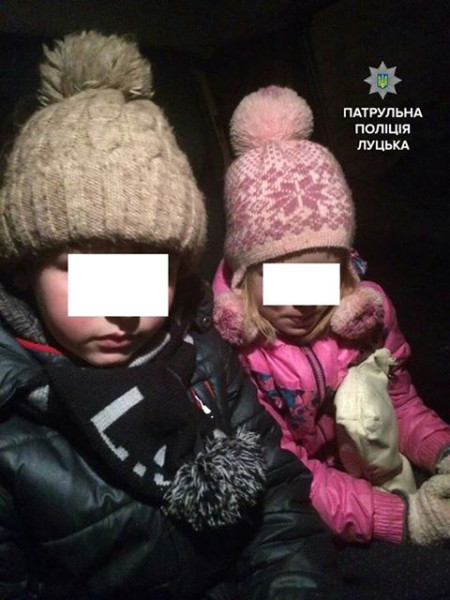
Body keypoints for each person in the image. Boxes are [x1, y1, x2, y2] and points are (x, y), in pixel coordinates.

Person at [0, 34, 344, 599]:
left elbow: (278, 501)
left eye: (148, 270)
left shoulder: (206, 355)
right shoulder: (13, 418)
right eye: (85, 270)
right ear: (22, 269)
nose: (124, 307)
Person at [212, 86, 450, 596]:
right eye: (282, 279)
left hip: (374, 479)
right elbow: (288, 473)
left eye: (321, 277)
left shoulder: (364, 315)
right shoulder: (233, 358)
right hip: (309, 519)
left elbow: (399, 404)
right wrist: (405, 518)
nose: (304, 302)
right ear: (245, 277)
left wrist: (443, 450)